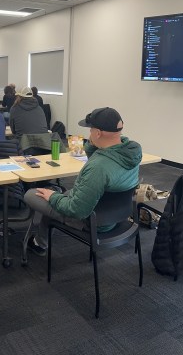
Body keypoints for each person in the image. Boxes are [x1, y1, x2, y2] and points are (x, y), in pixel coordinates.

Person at [23, 107, 142, 257]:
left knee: (32, 194)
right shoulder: (130, 152)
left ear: (98, 133)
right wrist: (94, 142)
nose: (89, 133)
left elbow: (76, 211)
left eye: (91, 130)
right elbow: (95, 156)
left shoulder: (98, 168)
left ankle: (40, 242)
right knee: (60, 194)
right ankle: (40, 242)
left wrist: (53, 197)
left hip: (91, 221)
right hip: (115, 215)